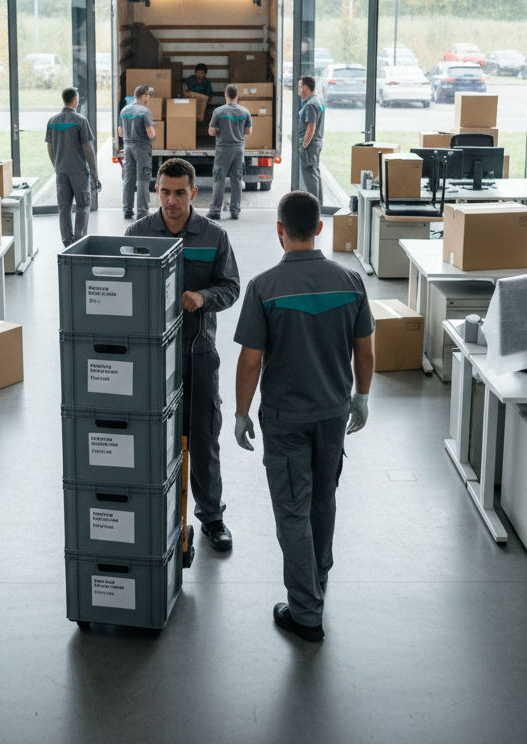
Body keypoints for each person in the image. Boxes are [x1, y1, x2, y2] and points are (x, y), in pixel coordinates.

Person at [233, 191, 374, 642]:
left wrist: (240, 413)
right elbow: (366, 350)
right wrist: (362, 397)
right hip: (334, 412)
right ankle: (319, 578)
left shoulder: (263, 288)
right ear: (318, 228)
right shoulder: (351, 281)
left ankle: (306, 613)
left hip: (285, 418)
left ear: (279, 229)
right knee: (323, 499)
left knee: (292, 510)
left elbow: (250, 361)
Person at [126, 157, 240, 553]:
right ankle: (154, 511)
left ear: (194, 193)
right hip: (150, 357)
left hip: (198, 354)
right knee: (152, 436)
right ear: (155, 191)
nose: (171, 201)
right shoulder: (139, 232)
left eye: (179, 193)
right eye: (164, 192)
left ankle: (211, 518)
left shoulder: (214, 237)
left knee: (204, 437)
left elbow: (230, 287)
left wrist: (203, 297)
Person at [45, 87, 99, 248]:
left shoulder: (52, 121)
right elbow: (88, 149)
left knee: (64, 208)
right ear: (75, 100)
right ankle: (79, 239)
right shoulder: (80, 120)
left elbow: (50, 148)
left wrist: (57, 166)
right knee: (83, 205)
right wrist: (95, 174)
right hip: (79, 171)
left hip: (61, 171)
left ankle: (67, 241)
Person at [207, 83, 252, 221]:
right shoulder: (245, 112)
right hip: (238, 149)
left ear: (225, 95)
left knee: (219, 179)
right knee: (237, 180)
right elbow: (248, 132)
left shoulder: (218, 112)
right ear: (237, 95)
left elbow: (211, 132)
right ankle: (235, 211)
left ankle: (215, 210)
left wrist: (221, 130)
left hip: (223, 149)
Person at [119, 84, 156, 221]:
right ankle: (142, 211)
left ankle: (127, 210)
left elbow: (120, 132)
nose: (148, 98)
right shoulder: (144, 111)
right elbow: (150, 133)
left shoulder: (124, 110)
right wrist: (153, 138)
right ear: (145, 95)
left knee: (129, 179)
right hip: (141, 147)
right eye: (148, 96)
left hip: (128, 147)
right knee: (143, 179)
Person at [297, 76, 326, 204]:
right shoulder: (318, 101)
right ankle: (319, 204)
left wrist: (304, 145)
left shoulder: (310, 105)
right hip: (317, 143)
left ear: (307, 88)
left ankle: (314, 206)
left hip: (310, 145)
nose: (298, 90)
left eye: (300, 87)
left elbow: (311, 126)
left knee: (310, 175)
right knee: (315, 172)